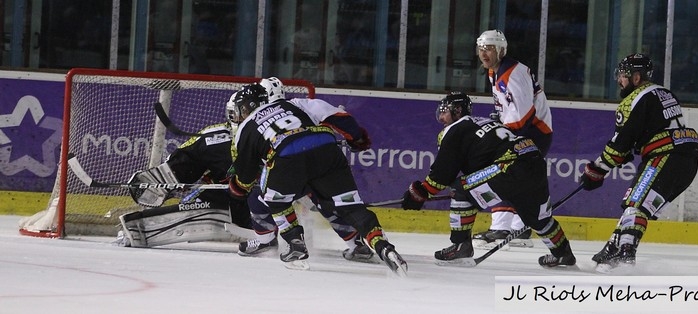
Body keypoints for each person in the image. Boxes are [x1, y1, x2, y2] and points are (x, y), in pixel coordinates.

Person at [118, 87, 375, 264]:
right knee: (312, 192)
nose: (237, 117)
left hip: (263, 196)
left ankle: (342, 241)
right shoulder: (220, 137)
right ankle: (275, 239)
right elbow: (185, 164)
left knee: (313, 191)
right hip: (254, 202)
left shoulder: (255, 129)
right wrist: (166, 181)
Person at [228, 78, 407, 274]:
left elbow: (245, 178)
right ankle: (382, 246)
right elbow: (339, 117)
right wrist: (357, 138)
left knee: (275, 199)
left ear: (252, 105)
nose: (240, 114)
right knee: (350, 206)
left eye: (242, 109)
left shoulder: (245, 128)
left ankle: (295, 246)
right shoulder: (295, 103)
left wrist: (237, 189)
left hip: (287, 157)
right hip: (327, 151)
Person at [400, 91, 576, 267]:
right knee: (539, 218)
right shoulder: (485, 122)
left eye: (445, 111)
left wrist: (421, 193)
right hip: (534, 161)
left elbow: (443, 173)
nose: (441, 118)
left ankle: (461, 246)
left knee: (461, 190)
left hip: (510, 167)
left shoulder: (454, 130)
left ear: (458, 110)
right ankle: (563, 253)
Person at [580, 53, 698, 273]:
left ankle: (626, 256)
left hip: (665, 157)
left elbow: (619, 147)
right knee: (640, 205)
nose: (620, 80)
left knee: (635, 203)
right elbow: (641, 137)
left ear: (636, 78)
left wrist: (596, 170)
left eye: (624, 76)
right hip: (688, 161)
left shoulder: (632, 100)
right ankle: (612, 248)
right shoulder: (665, 92)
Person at [471, 29, 554, 249]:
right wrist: (500, 120)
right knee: (516, 177)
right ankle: (520, 227)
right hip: (522, 131)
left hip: (533, 132)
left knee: (503, 173)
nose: (484, 53)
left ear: (501, 50)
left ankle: (502, 228)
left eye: (489, 48)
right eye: (481, 49)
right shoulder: (494, 71)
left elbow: (523, 117)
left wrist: (500, 129)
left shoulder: (514, 74)